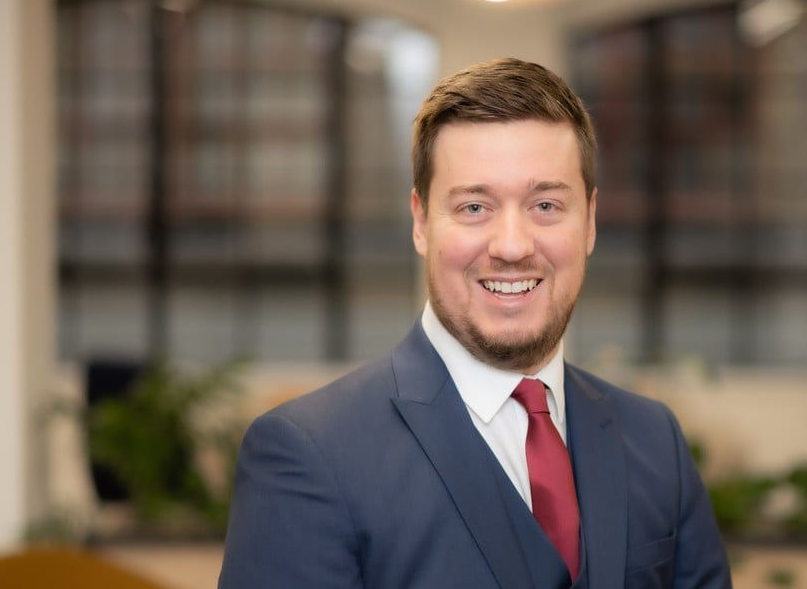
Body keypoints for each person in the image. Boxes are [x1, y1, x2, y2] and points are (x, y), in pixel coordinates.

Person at [218, 57, 732, 589]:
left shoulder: (654, 440)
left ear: (590, 222)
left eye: (546, 205)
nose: (512, 246)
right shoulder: (309, 453)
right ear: (421, 222)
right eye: (474, 207)